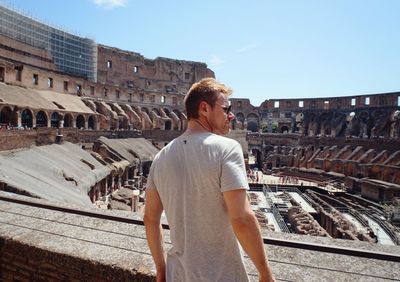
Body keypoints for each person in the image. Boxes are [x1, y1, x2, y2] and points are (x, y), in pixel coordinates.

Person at [144, 78, 275, 282]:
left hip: (177, 275)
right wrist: (265, 272)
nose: (231, 115)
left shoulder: (160, 157)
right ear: (204, 109)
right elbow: (241, 219)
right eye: (225, 109)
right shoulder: (227, 148)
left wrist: (161, 269)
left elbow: (150, 219)